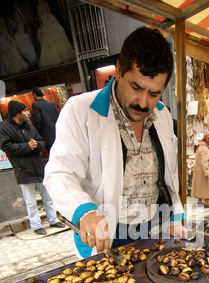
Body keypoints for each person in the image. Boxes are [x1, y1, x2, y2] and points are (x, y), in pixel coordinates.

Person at [44, 27, 187, 259]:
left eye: (154, 94)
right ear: (119, 70)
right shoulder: (80, 111)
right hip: (107, 233)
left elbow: (170, 175)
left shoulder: (162, 116)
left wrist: (176, 215)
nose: (143, 102)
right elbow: (60, 172)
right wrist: (85, 210)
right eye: (136, 88)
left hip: (153, 229)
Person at [0, 100, 64, 235]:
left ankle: (53, 220)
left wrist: (37, 145)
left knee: (48, 198)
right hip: (23, 169)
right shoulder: (4, 128)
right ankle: (36, 226)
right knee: (30, 202)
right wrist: (27, 146)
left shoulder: (30, 127)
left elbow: (41, 141)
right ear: (17, 114)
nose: (28, 113)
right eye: (25, 111)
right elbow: (6, 147)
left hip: (38, 167)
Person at [191, 132, 209, 208]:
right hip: (203, 172)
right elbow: (204, 162)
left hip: (199, 172)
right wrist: (207, 172)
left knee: (200, 187)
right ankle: (206, 202)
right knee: (206, 187)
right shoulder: (204, 149)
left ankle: (199, 201)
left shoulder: (200, 147)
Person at [32, 87, 59, 153]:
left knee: (53, 155)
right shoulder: (52, 105)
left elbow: (38, 120)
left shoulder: (35, 104)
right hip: (57, 134)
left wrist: (36, 132)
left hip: (47, 136)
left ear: (34, 94)